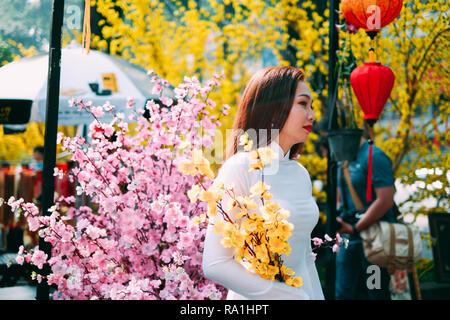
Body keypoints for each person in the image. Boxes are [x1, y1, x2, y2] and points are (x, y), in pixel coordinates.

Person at [202, 66, 324, 300]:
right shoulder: (241, 167)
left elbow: (305, 257)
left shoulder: (300, 173)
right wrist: (287, 296)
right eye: (302, 104)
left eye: (312, 106)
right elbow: (215, 263)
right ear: (272, 108)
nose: (312, 115)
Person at [334, 121, 397, 300]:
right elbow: (340, 195)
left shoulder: (375, 156)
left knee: (375, 291)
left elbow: (385, 200)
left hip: (374, 238)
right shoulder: (343, 158)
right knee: (343, 293)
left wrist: (355, 227)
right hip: (348, 238)